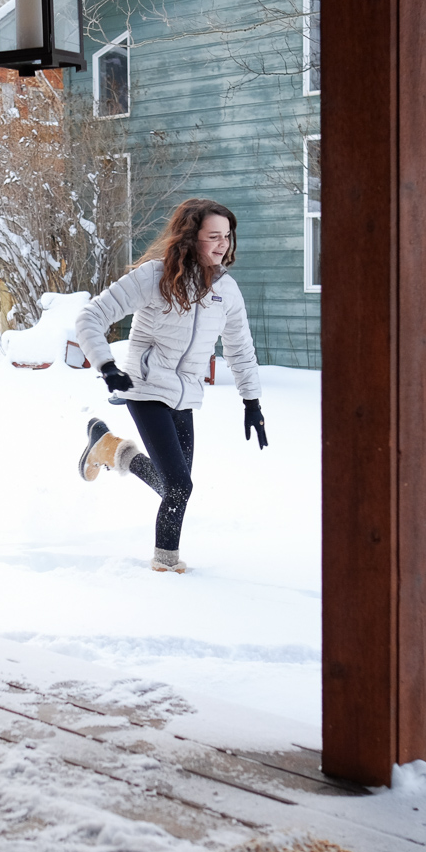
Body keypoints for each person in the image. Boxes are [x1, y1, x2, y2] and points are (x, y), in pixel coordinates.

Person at [73, 198, 267, 573]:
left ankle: (108, 448)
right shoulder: (154, 276)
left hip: (186, 394)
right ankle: (166, 566)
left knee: (172, 486)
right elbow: (91, 316)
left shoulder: (226, 290)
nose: (223, 244)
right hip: (144, 388)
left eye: (227, 236)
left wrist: (252, 402)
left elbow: (241, 349)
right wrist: (106, 364)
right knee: (180, 488)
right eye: (214, 236)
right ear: (190, 238)